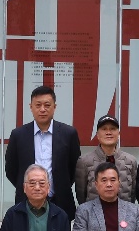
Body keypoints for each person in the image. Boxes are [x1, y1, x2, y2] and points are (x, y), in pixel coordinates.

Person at [5, 85, 82, 219]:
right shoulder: (18, 134)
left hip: (60, 201)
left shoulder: (68, 133)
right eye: (38, 105)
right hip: (27, 201)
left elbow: (74, 168)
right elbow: (11, 169)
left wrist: (59, 185)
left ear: (54, 107)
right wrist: (29, 187)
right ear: (31, 107)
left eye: (47, 105)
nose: (42, 109)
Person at [74, 115, 137, 204]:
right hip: (93, 212)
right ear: (97, 135)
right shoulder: (84, 161)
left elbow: (133, 193)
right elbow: (81, 195)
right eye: (104, 129)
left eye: (112, 129)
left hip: (124, 212)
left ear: (119, 134)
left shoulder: (130, 161)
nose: (108, 132)